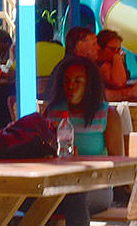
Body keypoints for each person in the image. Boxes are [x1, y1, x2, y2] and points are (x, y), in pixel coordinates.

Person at [43, 56, 122, 225]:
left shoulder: (107, 114)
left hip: (97, 186)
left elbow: (118, 163)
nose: (71, 86)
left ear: (89, 85)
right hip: (58, 184)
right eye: (66, 81)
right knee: (32, 199)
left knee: (75, 196)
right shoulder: (53, 112)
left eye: (78, 81)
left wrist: (82, 162)